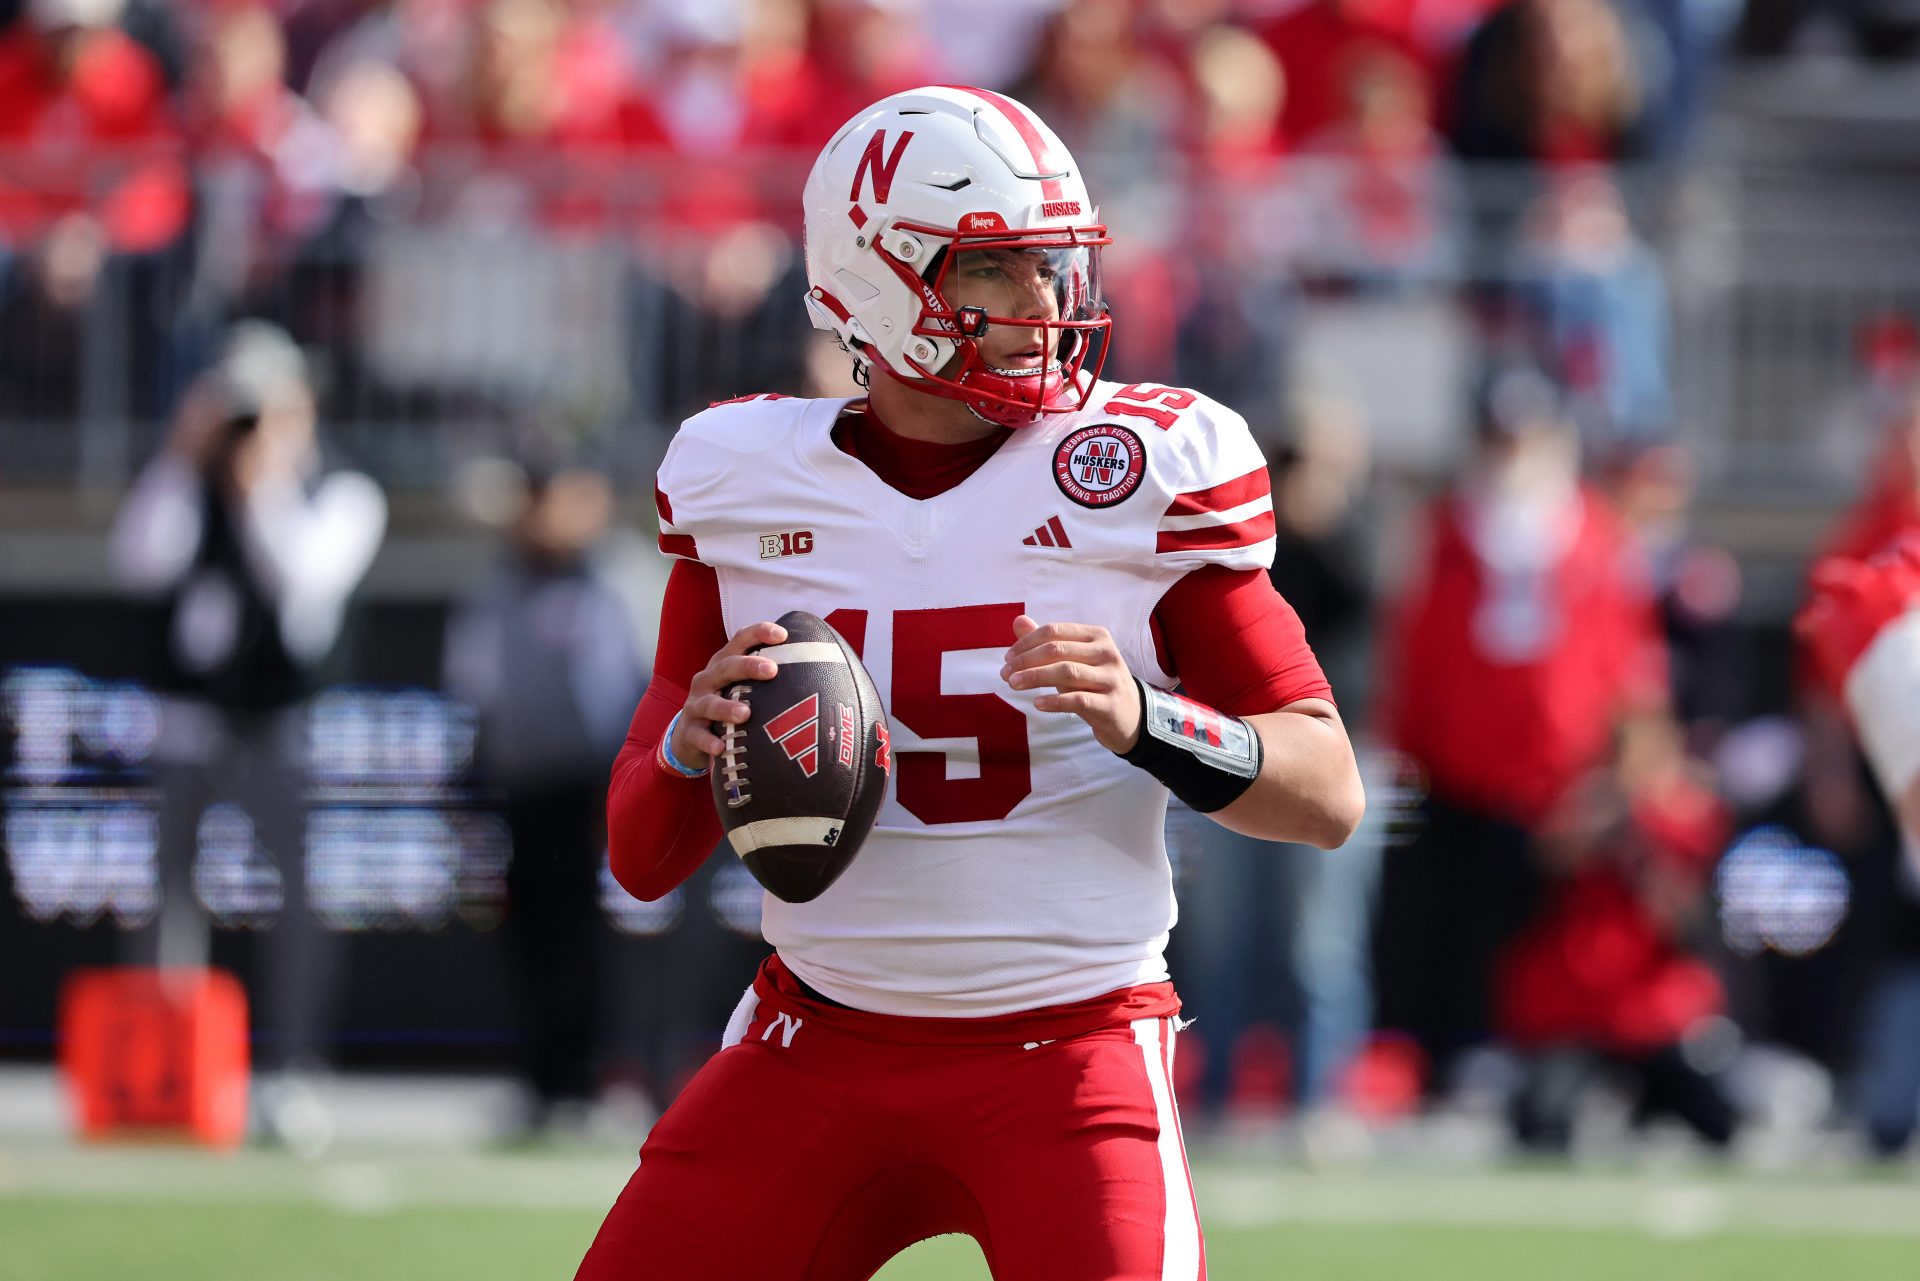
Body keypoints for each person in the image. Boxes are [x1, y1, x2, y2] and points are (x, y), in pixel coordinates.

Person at [580, 86, 1366, 1280]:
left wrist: (1146, 722)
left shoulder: (1138, 475)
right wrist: (692, 747)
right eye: (999, 271)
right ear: (884, 283)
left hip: (1072, 1052)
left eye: (1056, 267)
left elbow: (1326, 792)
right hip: (816, 1044)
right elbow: (641, 858)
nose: (1048, 305)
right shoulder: (747, 485)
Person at [109, 320, 386, 1154]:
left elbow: (302, 574)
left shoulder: (340, 489)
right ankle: (160, 1069)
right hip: (190, 721)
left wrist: (264, 476)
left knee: (296, 902)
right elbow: (139, 562)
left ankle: (292, 1070)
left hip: (285, 726)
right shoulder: (187, 483)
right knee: (166, 895)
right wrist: (180, 455)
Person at [442, 462, 663, 1137]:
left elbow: (657, 675)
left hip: (604, 784)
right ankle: (543, 1078)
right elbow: (474, 681)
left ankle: (611, 1074)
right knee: (533, 932)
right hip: (528, 785)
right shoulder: (503, 582)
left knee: (600, 936)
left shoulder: (621, 577)